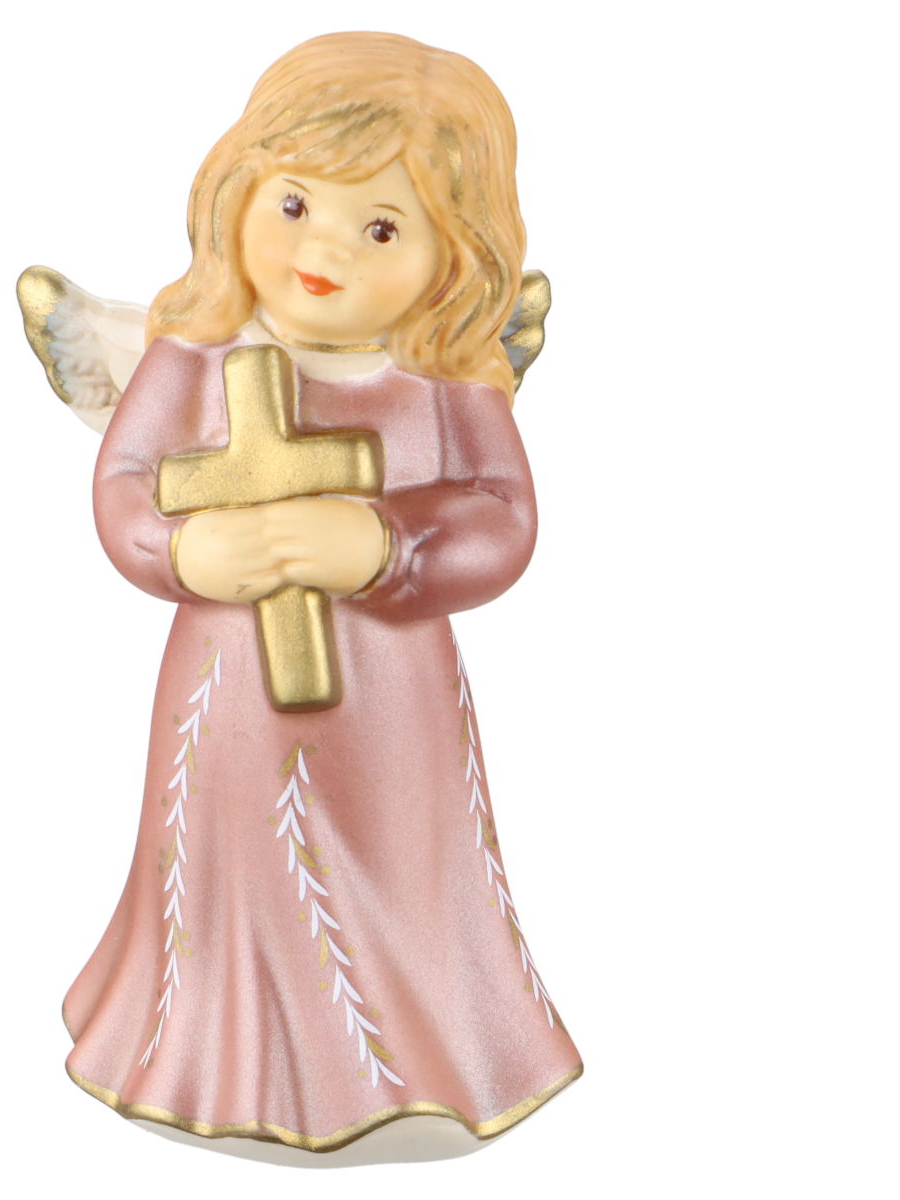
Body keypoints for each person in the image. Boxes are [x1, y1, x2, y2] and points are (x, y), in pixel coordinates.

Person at [60, 32, 582, 1163]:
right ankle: (206, 1045)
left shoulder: (446, 379)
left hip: (389, 700)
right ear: (239, 187)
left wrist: (386, 545)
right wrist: (183, 553)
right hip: (228, 685)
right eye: (295, 204)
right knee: (229, 852)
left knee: (402, 857)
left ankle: (422, 1050)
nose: (323, 250)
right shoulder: (194, 355)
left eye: (381, 228)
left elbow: (504, 517)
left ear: (456, 257)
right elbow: (123, 481)